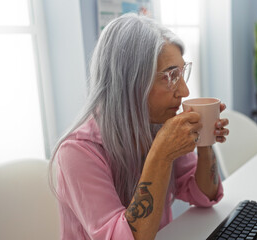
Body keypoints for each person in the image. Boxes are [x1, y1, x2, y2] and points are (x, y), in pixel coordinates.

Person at [49, 13, 229, 240]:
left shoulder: (157, 124)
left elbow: (205, 194)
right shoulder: (78, 152)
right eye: (171, 76)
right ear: (131, 81)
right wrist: (161, 155)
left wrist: (204, 141)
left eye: (182, 74)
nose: (184, 92)